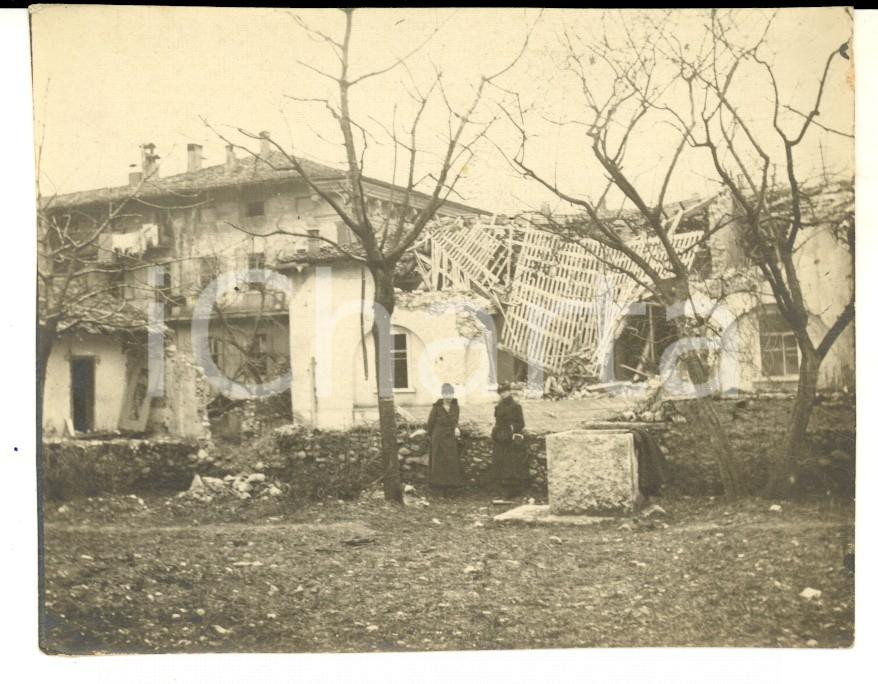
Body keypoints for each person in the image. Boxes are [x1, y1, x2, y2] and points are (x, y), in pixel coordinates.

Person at [491, 382, 528, 498]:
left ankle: (513, 491)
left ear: (509, 392)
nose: (503, 395)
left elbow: (521, 423)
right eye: (501, 393)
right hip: (500, 438)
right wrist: (495, 432)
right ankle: (502, 490)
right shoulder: (499, 406)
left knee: (511, 466)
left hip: (510, 440)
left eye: (505, 392)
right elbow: (497, 421)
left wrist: (512, 428)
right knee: (500, 464)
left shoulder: (516, 406)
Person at [426, 383, 464, 492]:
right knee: (439, 462)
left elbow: (455, 420)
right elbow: (430, 423)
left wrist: (456, 428)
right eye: (446, 394)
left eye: (450, 394)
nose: (448, 396)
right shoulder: (437, 407)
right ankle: (440, 487)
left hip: (450, 437)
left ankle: (451, 486)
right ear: (442, 395)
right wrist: (431, 436)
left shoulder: (455, 407)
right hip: (438, 437)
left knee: (451, 460)